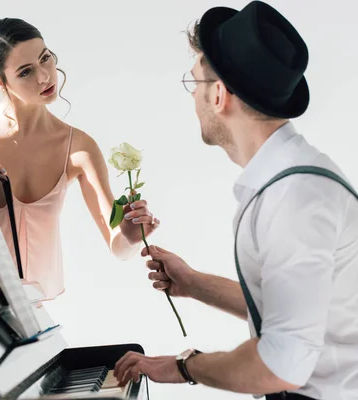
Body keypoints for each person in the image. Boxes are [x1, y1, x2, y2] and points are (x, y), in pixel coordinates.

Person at [113, 2, 358, 399]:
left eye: (194, 83)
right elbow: (294, 308)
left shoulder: (291, 198)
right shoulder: (290, 181)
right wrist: (194, 284)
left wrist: (183, 367)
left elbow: (281, 365)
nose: (192, 97)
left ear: (219, 96)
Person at [0, 18, 159, 299]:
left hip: (34, 315)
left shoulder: (78, 148)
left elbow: (118, 248)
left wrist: (130, 235)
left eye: (45, 59)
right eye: (26, 72)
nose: (44, 76)